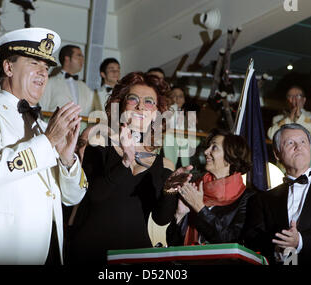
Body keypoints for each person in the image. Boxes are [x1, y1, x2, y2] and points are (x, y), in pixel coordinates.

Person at [0, 27, 88, 265]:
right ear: (8, 67)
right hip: (1, 247)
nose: (43, 73)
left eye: (46, 68)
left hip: (48, 248)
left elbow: (72, 196)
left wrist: (68, 160)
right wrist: (48, 141)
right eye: (34, 63)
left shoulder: (44, 126)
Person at [67, 71, 193, 264]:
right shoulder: (99, 141)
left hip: (136, 254)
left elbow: (161, 219)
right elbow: (94, 196)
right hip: (91, 250)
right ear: (120, 105)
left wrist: (169, 192)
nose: (141, 106)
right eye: (133, 99)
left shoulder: (164, 163)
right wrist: (124, 161)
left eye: (149, 102)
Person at [244, 123, 311, 265]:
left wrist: (300, 240)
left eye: (303, 141)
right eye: (290, 143)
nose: (298, 146)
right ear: (277, 154)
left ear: (309, 147)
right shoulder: (262, 199)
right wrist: (280, 245)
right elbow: (252, 238)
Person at [166, 129, 255, 246]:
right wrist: (179, 216)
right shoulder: (195, 188)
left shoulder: (248, 198)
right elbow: (172, 243)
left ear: (230, 157)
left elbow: (232, 241)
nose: (206, 151)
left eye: (214, 147)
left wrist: (200, 208)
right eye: (208, 147)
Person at [267, 85, 311, 173]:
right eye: (290, 96)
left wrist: (300, 116)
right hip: (285, 168)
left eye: (298, 96)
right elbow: (271, 135)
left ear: (304, 100)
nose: (294, 99)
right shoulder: (278, 119)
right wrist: (288, 119)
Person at [40, 44, 96, 119]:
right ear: (67, 59)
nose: (82, 59)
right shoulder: (50, 83)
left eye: (82, 57)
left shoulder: (86, 88)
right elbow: (42, 110)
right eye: (79, 56)